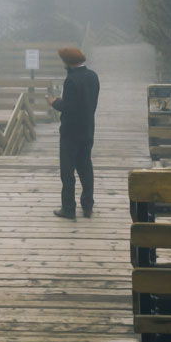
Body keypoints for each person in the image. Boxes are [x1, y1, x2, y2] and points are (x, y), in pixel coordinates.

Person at [50, 46, 100, 219]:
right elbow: (90, 102)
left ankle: (69, 208)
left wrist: (54, 102)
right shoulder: (93, 76)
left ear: (68, 62)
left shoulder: (71, 80)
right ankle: (87, 206)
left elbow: (68, 108)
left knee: (67, 171)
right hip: (87, 129)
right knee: (86, 168)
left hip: (70, 133)